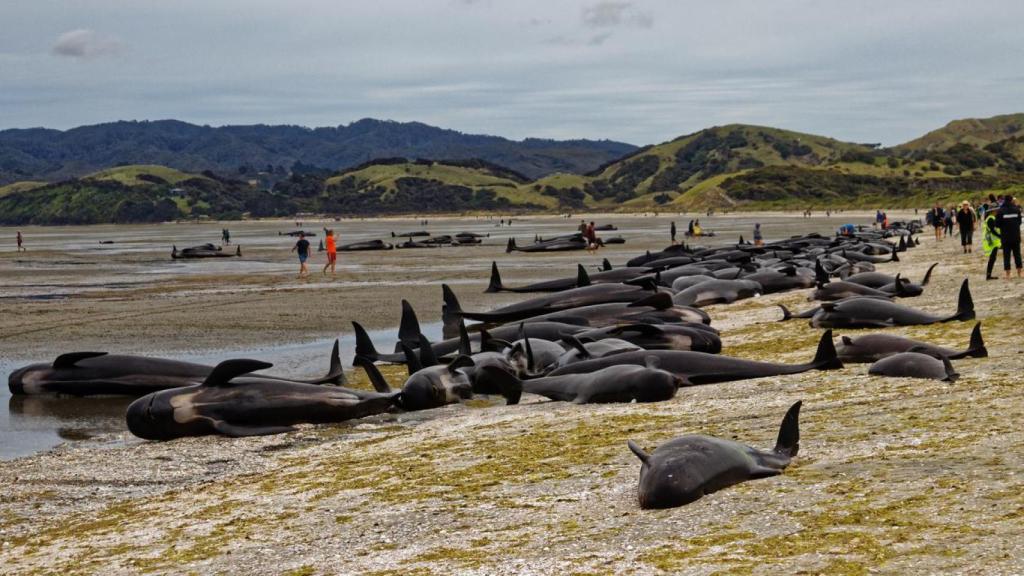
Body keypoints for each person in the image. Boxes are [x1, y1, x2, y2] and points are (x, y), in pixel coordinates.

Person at [996, 195, 1022, 279]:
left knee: (1006, 255)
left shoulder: (1000, 211)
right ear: (1011, 200)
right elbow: (1019, 222)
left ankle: (1008, 274)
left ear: (1004, 200)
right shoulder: (1016, 209)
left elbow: (997, 224)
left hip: (1005, 236)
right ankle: (1020, 272)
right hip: (1015, 236)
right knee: (1017, 254)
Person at [983, 204, 1001, 280]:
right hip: (991, 242)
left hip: (993, 241)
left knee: (993, 258)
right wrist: (1000, 236)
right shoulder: (991, 219)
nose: (997, 211)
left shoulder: (991, 218)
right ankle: (988, 275)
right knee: (992, 259)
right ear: (993, 211)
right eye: (996, 210)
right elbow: (993, 230)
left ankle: (989, 275)